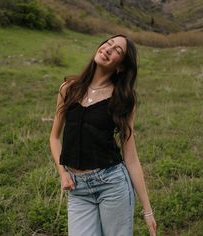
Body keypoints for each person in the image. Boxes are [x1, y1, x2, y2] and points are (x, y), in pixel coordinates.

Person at [50, 35, 157, 236]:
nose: (109, 48)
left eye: (117, 50)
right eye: (109, 43)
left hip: (112, 185)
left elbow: (131, 157)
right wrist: (63, 173)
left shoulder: (123, 99)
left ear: (121, 67)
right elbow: (54, 138)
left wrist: (147, 210)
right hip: (77, 188)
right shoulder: (68, 89)